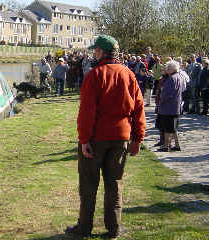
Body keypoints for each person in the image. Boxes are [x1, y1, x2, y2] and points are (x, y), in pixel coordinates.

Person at [65, 35, 145, 239]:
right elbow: (138, 109)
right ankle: (114, 228)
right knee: (114, 183)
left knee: (89, 185)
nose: (94, 53)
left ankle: (84, 228)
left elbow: (87, 111)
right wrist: (137, 139)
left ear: (101, 52)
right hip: (121, 138)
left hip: (96, 138)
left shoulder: (95, 75)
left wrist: (84, 140)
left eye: (95, 50)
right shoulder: (128, 74)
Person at [158, 61, 185, 152]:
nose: (167, 69)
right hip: (176, 106)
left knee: (167, 128)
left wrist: (161, 101)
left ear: (172, 69)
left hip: (169, 107)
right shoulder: (179, 77)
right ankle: (177, 145)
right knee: (174, 128)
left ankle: (166, 146)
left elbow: (167, 94)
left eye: (168, 68)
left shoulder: (171, 78)